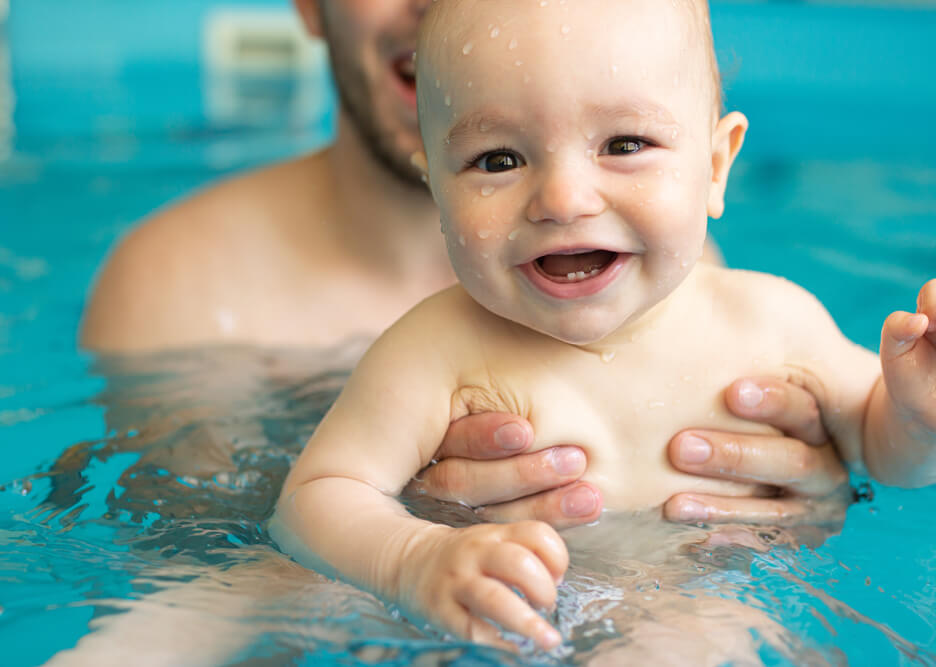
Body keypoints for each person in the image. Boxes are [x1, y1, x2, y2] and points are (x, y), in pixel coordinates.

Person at [268, 0, 936, 651]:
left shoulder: (772, 321)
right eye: (498, 159)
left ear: (715, 164)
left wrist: (914, 412)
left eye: (624, 144)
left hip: (710, 608)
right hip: (491, 621)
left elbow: (881, 447)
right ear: (436, 185)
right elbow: (317, 497)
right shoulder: (433, 350)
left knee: (689, 635)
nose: (562, 199)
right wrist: (414, 558)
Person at [78, 0, 847, 527]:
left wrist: (812, 490)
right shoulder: (176, 286)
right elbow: (193, 587)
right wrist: (392, 537)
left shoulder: (668, 271)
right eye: (499, 158)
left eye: (623, 145)